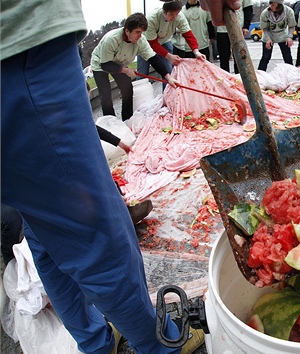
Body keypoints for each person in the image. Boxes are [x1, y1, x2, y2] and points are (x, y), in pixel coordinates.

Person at [1, 1, 205, 353]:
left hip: (17, 58)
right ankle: (160, 343)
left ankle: (95, 340)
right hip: (23, 54)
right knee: (98, 230)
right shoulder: (110, 41)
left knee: (44, 233)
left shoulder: (140, 40)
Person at [91, 13, 178, 121]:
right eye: (137, 32)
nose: (140, 36)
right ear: (127, 31)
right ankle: (112, 124)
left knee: (127, 89)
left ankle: (127, 120)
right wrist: (125, 70)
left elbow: (153, 58)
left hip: (119, 62)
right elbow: (105, 65)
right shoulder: (112, 39)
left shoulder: (140, 41)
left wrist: (168, 77)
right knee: (106, 95)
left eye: (141, 32)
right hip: (101, 63)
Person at [136, 0, 206, 85]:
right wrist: (169, 56)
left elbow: (188, 35)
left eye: (176, 14)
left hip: (165, 41)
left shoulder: (179, 16)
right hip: (146, 44)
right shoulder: (152, 18)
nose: (174, 17)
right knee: (142, 74)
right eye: (171, 14)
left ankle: (167, 96)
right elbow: (153, 44)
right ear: (164, 12)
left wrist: (196, 52)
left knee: (168, 73)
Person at [215, 0, 253, 73]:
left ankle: (239, 77)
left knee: (239, 56)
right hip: (222, 29)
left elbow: (248, 8)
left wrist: (246, 26)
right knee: (223, 57)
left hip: (237, 27)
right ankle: (225, 78)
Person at [257, 0, 296, 71]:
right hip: (269, 34)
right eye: (270, 4)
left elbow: (292, 26)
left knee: (287, 57)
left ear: (279, 5)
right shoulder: (265, 13)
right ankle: (260, 75)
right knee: (265, 57)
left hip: (283, 34)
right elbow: (264, 28)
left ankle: (292, 73)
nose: (271, 6)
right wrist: (268, 39)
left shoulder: (288, 11)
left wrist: (290, 37)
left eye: (274, 4)